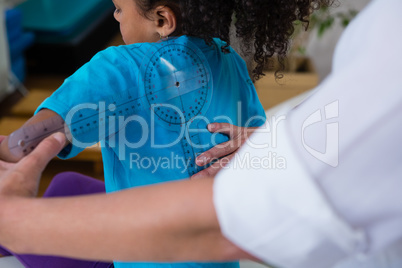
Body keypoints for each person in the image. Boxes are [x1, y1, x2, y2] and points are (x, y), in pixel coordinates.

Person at [2, 0, 401, 267]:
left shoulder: (115, 67)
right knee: (72, 184)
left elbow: (26, 143)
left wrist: (10, 148)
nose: (116, 18)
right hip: (217, 256)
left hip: (148, 256)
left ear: (161, 19)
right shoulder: (228, 59)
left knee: (64, 190)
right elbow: (255, 137)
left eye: (119, 9)